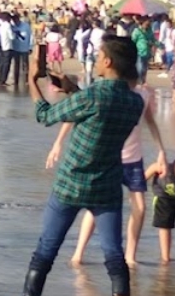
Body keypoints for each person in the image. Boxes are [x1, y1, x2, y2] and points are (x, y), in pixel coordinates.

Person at [20, 36, 145, 296]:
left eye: (100, 54)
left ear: (108, 62)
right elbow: (99, 109)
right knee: (114, 255)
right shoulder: (134, 102)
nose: (98, 58)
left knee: (46, 251)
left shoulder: (92, 96)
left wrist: (31, 80)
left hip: (70, 183)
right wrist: (73, 90)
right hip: (107, 185)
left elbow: (46, 115)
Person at [67, 76, 165, 268]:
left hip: (133, 159)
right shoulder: (111, 95)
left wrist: (161, 150)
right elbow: (78, 118)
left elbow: (151, 123)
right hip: (111, 156)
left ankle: (130, 256)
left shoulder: (141, 96)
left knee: (140, 207)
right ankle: (78, 254)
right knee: (96, 206)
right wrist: (58, 143)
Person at [11, 13, 33, 87]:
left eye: (16, 20)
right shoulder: (12, 27)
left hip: (24, 48)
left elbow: (31, 37)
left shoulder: (26, 26)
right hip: (16, 48)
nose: (15, 22)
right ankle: (16, 81)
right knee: (16, 65)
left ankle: (28, 79)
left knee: (26, 65)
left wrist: (30, 47)